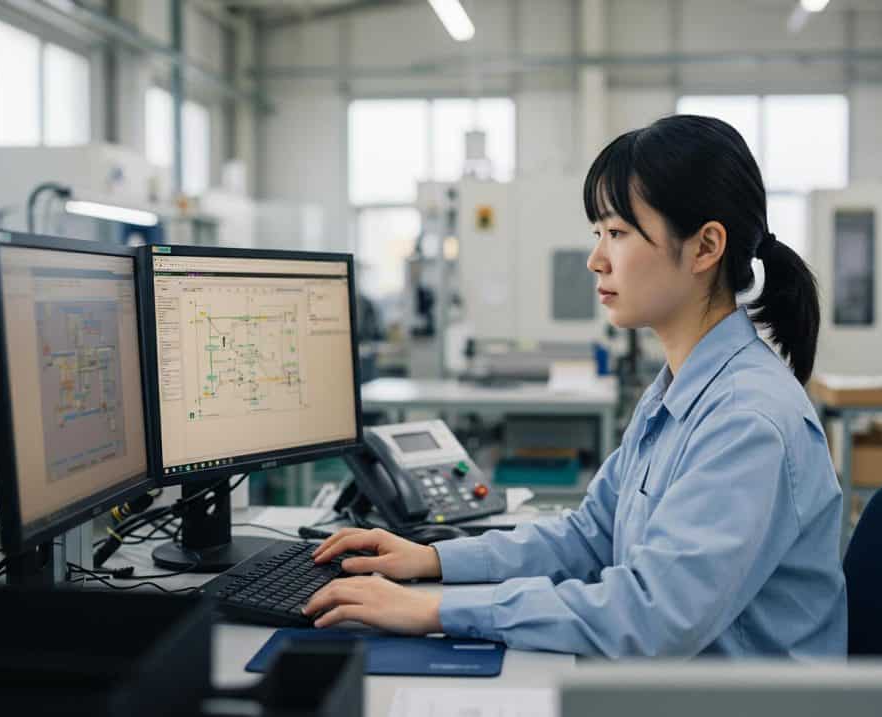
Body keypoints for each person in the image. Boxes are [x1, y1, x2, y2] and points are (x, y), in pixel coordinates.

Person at [302, 115, 847, 657]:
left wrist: (435, 610)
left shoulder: (747, 422)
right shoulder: (677, 391)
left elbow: (653, 615)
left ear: (705, 247)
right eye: (597, 234)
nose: (595, 259)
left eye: (617, 233)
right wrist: (433, 560)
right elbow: (589, 536)